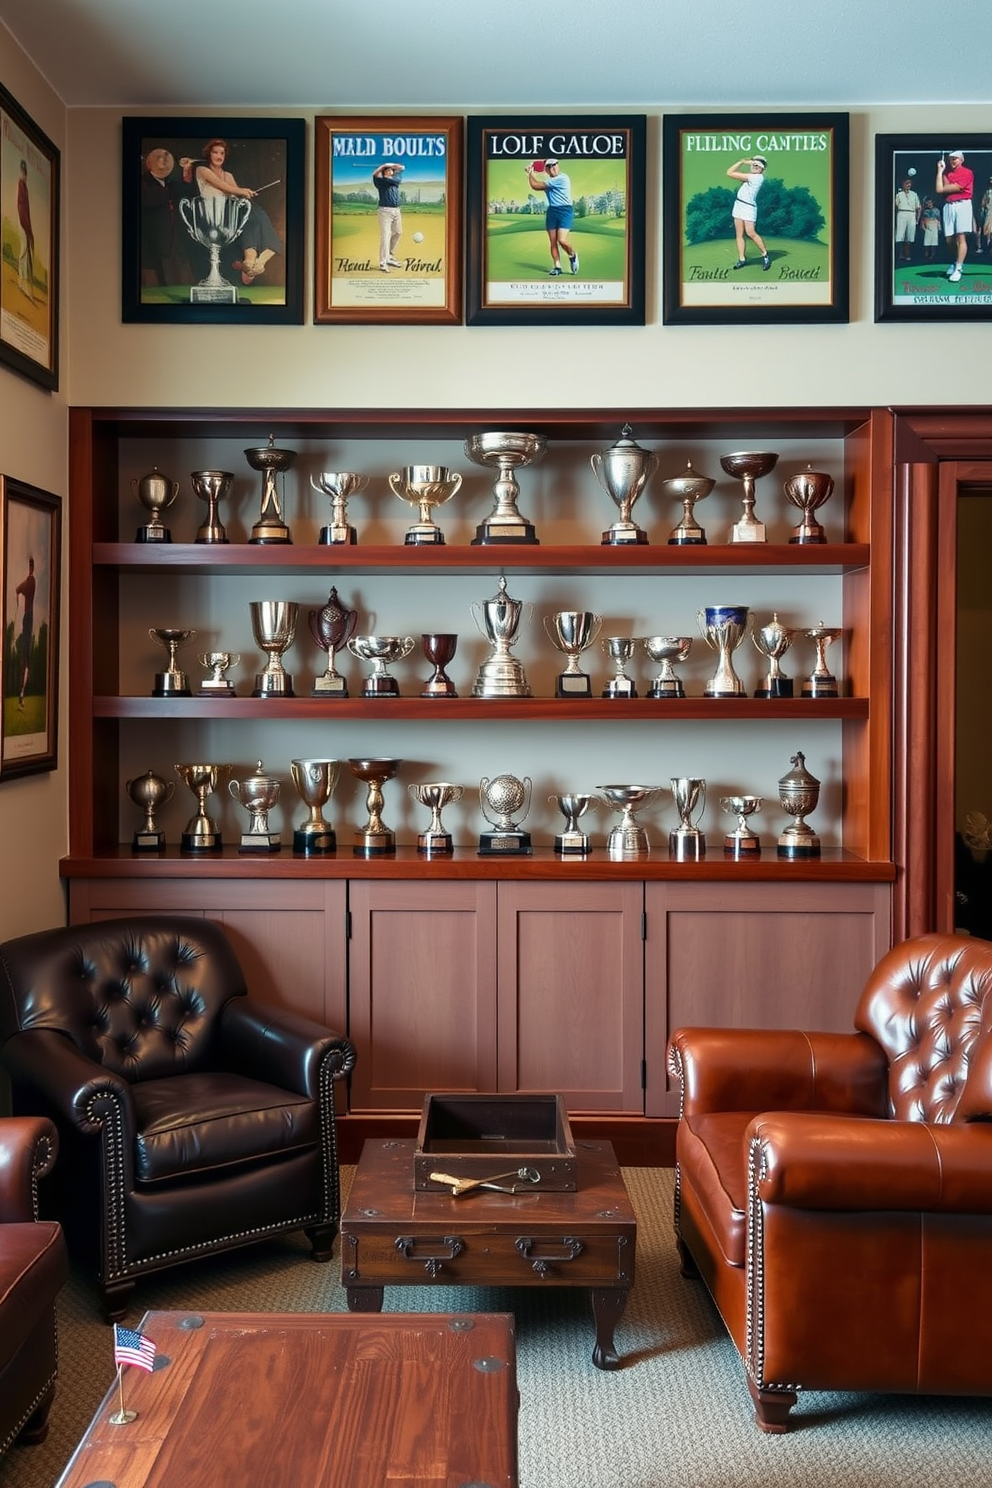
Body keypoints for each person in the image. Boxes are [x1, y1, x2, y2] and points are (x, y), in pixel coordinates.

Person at [181, 138, 284, 285]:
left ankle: (254, 261)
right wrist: (243, 191)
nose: (219, 156)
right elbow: (224, 187)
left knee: (253, 211)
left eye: (222, 153)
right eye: (215, 152)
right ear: (209, 154)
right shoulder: (202, 170)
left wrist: (246, 194)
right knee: (251, 213)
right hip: (214, 216)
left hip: (229, 212)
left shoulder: (228, 175)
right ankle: (255, 259)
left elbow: (236, 196)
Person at [139, 146, 193, 287]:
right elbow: (149, 200)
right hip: (151, 240)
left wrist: (187, 172)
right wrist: (166, 192)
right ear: (150, 163)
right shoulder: (144, 182)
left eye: (165, 162)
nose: (163, 166)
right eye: (159, 162)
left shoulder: (170, 183)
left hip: (171, 239)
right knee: (153, 278)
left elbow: (185, 190)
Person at [525, 158, 579, 276]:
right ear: (547, 170)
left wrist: (530, 173)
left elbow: (535, 185)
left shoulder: (563, 178)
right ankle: (557, 267)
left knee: (562, 240)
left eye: (554, 165)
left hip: (565, 210)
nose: (552, 168)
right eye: (549, 167)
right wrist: (531, 174)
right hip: (552, 212)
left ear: (558, 165)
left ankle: (572, 255)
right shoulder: (548, 182)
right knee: (553, 242)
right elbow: (536, 185)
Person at [934, 148, 974, 283]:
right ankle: (956, 261)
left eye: (955, 158)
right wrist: (940, 171)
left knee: (961, 237)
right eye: (951, 159)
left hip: (963, 205)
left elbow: (946, 188)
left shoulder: (967, 173)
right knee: (949, 239)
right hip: (948, 206)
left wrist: (948, 186)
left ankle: (958, 268)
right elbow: (939, 189)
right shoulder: (946, 173)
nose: (952, 161)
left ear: (961, 160)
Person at [726, 156, 771, 271]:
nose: (755, 167)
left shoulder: (757, 178)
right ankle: (742, 259)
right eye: (754, 164)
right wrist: (747, 163)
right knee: (739, 234)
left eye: (758, 166)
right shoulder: (750, 176)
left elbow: (729, 172)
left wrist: (741, 161)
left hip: (749, 207)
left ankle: (765, 256)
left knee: (751, 233)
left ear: (763, 169)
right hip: (738, 205)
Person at [372, 162, 405, 273]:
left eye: (391, 170)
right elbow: (375, 174)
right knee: (386, 235)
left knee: (398, 232)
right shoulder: (380, 182)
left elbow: (402, 167)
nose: (389, 171)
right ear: (383, 172)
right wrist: (382, 166)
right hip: (385, 211)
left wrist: (388, 164)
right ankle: (383, 262)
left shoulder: (395, 180)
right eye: (387, 170)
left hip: (396, 210)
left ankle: (390, 256)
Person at [14, 556, 35, 709]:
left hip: (28, 618)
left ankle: (22, 694)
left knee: (26, 658)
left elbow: (19, 588)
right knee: (25, 658)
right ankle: (21, 695)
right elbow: (18, 589)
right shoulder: (30, 581)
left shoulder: (31, 581)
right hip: (27, 618)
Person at [16, 159, 35, 302]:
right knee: (23, 251)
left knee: (26, 253)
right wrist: (26, 226)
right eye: (23, 172)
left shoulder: (25, 187)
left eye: (25, 172)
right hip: (23, 223)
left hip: (26, 224)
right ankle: (21, 280)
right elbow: (22, 207)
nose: (24, 174)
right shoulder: (21, 185)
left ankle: (23, 281)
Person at [893, 176, 921, 263]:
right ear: (903, 184)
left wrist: (917, 219)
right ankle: (900, 254)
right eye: (906, 183)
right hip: (901, 213)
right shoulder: (898, 194)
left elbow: (919, 208)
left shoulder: (914, 194)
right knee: (900, 236)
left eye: (910, 183)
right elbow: (895, 206)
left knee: (909, 236)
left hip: (911, 214)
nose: (908, 185)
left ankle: (907, 254)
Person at [920, 197, 941, 261]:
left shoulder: (936, 210)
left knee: (934, 241)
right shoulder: (925, 211)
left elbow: (938, 219)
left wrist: (939, 228)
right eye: (928, 203)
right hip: (927, 225)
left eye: (930, 203)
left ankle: (932, 254)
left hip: (934, 225)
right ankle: (926, 252)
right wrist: (923, 226)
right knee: (927, 241)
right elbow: (923, 220)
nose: (929, 204)